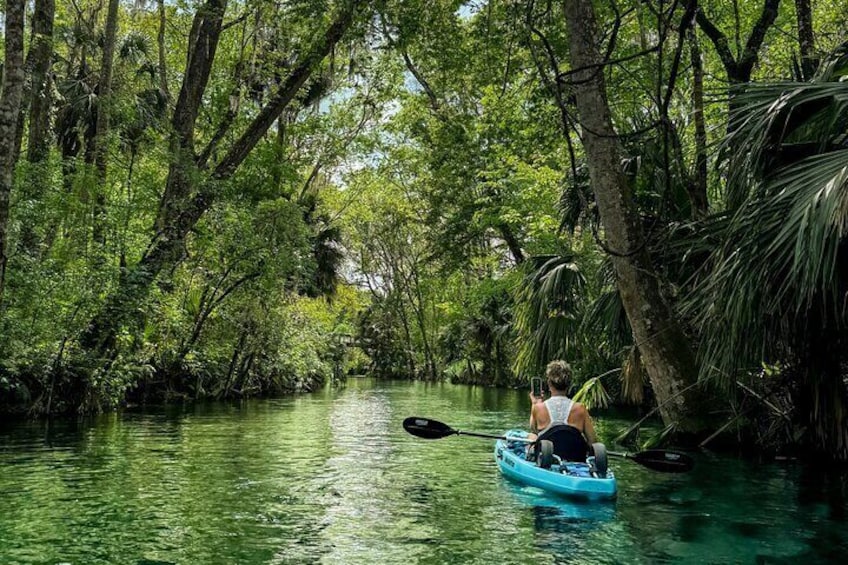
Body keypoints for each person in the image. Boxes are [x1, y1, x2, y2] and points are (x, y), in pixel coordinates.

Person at [528, 360, 598, 446]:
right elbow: (593, 440)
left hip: (547, 456)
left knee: (532, 436)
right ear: (569, 384)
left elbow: (534, 430)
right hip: (574, 456)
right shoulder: (581, 409)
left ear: (549, 383)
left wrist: (535, 403)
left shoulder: (538, 408)